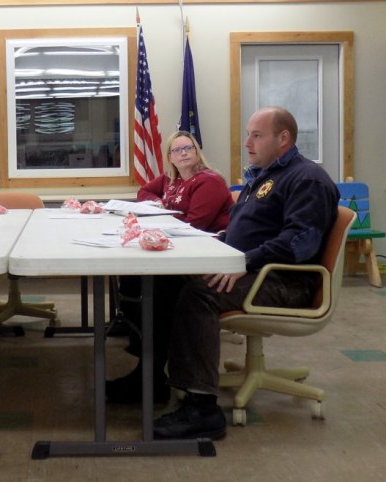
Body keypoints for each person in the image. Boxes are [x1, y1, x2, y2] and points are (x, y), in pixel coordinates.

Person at [121, 106, 339, 440]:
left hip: (281, 280)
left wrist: (244, 262)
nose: (247, 142)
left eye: (257, 135)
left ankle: (202, 408)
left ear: (283, 139)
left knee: (199, 294)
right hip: (252, 267)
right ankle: (149, 378)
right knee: (163, 279)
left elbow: (300, 243)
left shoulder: (306, 178)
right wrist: (218, 245)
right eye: (248, 133)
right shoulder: (263, 176)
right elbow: (241, 230)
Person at [107, 131, 233, 404]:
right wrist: (157, 203)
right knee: (132, 278)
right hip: (181, 248)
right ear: (170, 158)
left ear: (197, 151)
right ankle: (140, 350)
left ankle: (149, 374)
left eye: (188, 148)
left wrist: (163, 211)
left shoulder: (209, 181)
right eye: (177, 150)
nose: (183, 153)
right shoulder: (171, 179)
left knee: (159, 285)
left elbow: (194, 224)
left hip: (204, 255)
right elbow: (144, 191)